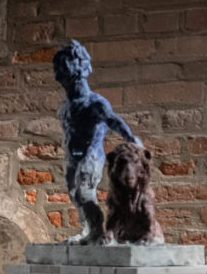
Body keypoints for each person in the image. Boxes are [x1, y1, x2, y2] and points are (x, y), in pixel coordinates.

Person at [53, 39, 141, 245]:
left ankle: (96, 231)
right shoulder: (67, 105)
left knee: (85, 193)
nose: (58, 78)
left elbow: (113, 120)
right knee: (75, 195)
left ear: (76, 74)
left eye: (63, 75)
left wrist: (130, 138)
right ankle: (87, 230)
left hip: (90, 156)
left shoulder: (95, 103)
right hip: (72, 157)